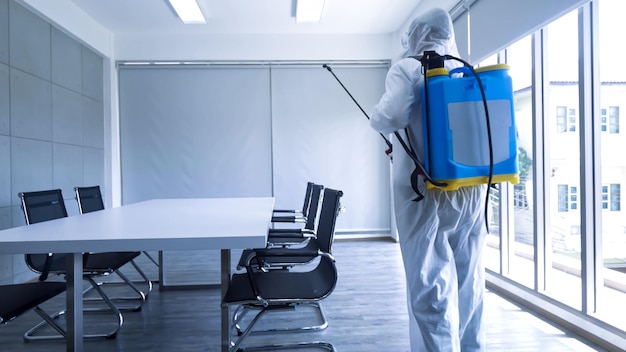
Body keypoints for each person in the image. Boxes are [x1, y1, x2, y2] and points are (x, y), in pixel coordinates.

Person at [370, 8, 488, 352]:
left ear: (418, 34)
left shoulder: (408, 68)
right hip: (470, 190)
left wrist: (376, 120)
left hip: (422, 191)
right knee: (470, 281)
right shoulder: (465, 70)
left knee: (428, 283)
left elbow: (389, 116)